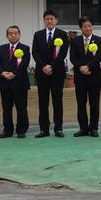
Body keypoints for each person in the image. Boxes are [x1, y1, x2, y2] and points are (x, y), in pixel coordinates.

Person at [32, 10, 69, 138]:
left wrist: (52, 66)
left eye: (52, 19)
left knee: (57, 101)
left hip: (57, 73)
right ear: (44, 20)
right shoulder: (38, 35)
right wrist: (43, 66)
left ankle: (58, 128)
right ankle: (44, 129)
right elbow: (35, 52)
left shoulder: (63, 35)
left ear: (56, 20)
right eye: (47, 19)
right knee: (43, 101)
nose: (49, 21)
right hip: (42, 73)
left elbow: (63, 53)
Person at [69, 16, 101, 137]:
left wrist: (88, 67)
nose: (88, 28)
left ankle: (94, 128)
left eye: (90, 26)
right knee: (81, 103)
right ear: (81, 28)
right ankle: (83, 128)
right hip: (80, 77)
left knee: (94, 103)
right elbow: (73, 58)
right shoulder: (75, 41)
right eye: (85, 26)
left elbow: (98, 57)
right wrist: (81, 67)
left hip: (94, 77)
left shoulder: (99, 40)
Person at [0, 25, 31, 138]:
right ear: (7, 36)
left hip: (19, 82)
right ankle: (7, 130)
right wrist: (2, 73)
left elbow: (25, 63)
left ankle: (21, 130)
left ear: (19, 35)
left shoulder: (25, 48)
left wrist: (14, 73)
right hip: (4, 82)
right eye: (10, 33)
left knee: (21, 107)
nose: (13, 35)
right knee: (6, 108)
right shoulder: (2, 48)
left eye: (15, 33)